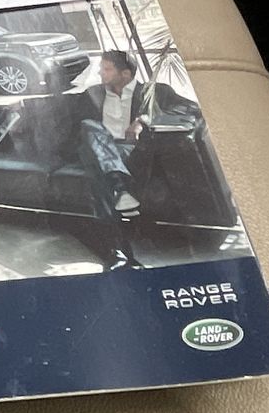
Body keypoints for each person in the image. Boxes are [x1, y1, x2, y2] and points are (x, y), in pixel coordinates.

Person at [75, 50, 197, 272]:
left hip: (132, 151)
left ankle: (118, 254)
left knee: (98, 176)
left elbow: (191, 108)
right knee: (89, 127)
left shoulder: (154, 91)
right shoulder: (94, 92)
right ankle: (119, 188)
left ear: (125, 74)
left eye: (106, 69)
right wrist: (21, 105)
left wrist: (143, 120)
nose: (100, 73)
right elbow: (58, 102)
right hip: (99, 148)